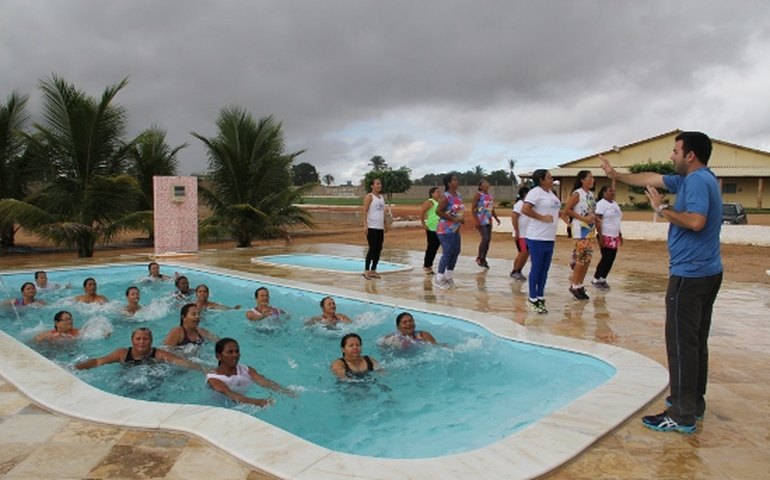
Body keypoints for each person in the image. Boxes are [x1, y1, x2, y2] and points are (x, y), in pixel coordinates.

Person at [600, 131, 722, 434]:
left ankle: (682, 415)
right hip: (707, 272)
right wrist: (616, 174)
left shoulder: (695, 181)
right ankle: (692, 401)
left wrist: (661, 209)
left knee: (681, 343)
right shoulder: (697, 178)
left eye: (675, 150)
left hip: (690, 275)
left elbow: (696, 221)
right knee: (695, 342)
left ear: (689, 154)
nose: (671, 155)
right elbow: (650, 178)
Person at [521, 169, 564, 314]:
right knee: (537, 268)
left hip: (549, 237)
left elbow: (554, 210)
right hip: (537, 237)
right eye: (549, 178)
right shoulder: (535, 192)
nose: (552, 180)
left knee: (545, 270)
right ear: (541, 180)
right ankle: (532, 298)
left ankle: (540, 296)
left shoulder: (551, 194)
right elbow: (525, 209)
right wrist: (542, 217)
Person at [206, 337, 294, 407]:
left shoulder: (246, 369)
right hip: (218, 408)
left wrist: (285, 391)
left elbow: (264, 382)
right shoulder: (214, 378)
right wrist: (259, 402)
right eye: (230, 352)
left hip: (241, 404)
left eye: (237, 351)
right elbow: (231, 395)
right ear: (218, 356)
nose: (235, 355)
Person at [75, 327, 200, 370]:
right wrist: (77, 368)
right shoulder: (122, 353)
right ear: (132, 341)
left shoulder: (159, 354)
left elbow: (181, 362)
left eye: (145, 339)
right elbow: (98, 361)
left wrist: (204, 370)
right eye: (138, 339)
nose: (141, 342)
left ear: (151, 341)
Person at [563, 170, 597, 300]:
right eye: (590, 177)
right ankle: (575, 285)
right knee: (582, 258)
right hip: (580, 230)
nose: (592, 179)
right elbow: (567, 210)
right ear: (582, 180)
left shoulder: (591, 195)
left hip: (589, 230)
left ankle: (580, 284)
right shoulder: (577, 194)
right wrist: (583, 219)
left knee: (587, 258)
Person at [432, 174, 465, 290]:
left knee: (455, 251)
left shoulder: (459, 196)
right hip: (445, 229)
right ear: (449, 183)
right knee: (447, 252)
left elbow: (457, 211)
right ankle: (439, 278)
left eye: (457, 179)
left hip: (455, 229)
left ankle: (448, 276)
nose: (457, 181)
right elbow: (438, 211)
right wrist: (452, 219)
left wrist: (460, 220)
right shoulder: (446, 197)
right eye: (455, 180)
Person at [591, 186, 623, 290]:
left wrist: (620, 235)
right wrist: (600, 236)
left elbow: (616, 221)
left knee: (611, 258)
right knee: (605, 258)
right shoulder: (601, 204)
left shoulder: (615, 204)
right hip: (605, 234)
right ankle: (596, 278)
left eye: (613, 191)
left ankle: (603, 278)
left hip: (614, 235)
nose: (613, 193)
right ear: (604, 192)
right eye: (610, 191)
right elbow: (597, 221)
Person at [472, 178, 501, 269]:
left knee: (488, 240)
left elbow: (491, 208)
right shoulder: (478, 195)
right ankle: (479, 257)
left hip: (488, 219)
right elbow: (473, 208)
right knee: (485, 238)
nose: (487, 185)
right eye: (485, 184)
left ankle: (483, 258)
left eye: (487, 184)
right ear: (480, 186)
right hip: (481, 219)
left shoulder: (489, 195)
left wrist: (495, 218)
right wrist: (476, 220)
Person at [362, 177, 386, 280]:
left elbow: (382, 212)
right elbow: (365, 211)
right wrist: (365, 225)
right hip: (372, 227)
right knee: (372, 249)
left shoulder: (381, 197)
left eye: (380, 184)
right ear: (372, 186)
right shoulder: (369, 196)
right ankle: (366, 270)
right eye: (377, 184)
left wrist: (385, 224)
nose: (379, 185)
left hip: (379, 227)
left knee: (378, 249)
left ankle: (373, 269)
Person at [510, 186, 531, 282]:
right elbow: (514, 217)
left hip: (527, 235)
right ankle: (515, 271)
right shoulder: (519, 204)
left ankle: (519, 270)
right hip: (521, 235)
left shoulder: (528, 205)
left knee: (526, 254)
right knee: (522, 253)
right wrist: (517, 231)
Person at [420, 186, 442, 274]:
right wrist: (424, 224)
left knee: (436, 246)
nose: (439, 194)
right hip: (431, 227)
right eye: (437, 192)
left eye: (439, 192)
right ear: (432, 193)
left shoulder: (439, 202)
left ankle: (429, 265)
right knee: (431, 246)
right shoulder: (429, 202)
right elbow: (422, 212)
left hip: (439, 227)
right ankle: (427, 265)